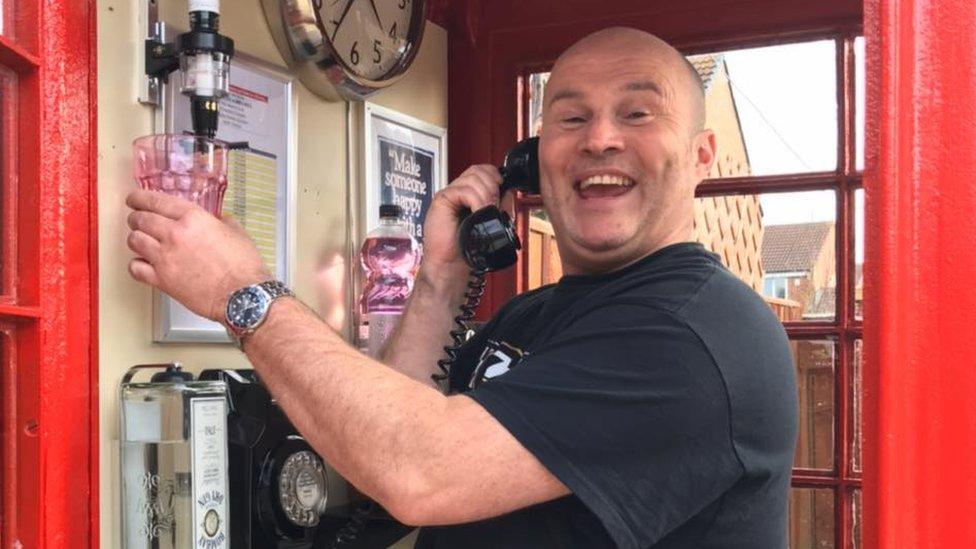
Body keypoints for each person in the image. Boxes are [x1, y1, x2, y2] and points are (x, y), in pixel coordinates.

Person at [125, 27, 797, 549]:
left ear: (702, 155)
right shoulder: (536, 315)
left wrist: (245, 293)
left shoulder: (694, 336)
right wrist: (440, 282)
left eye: (637, 114)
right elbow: (375, 462)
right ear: (532, 160)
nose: (599, 138)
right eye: (570, 118)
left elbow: (419, 470)